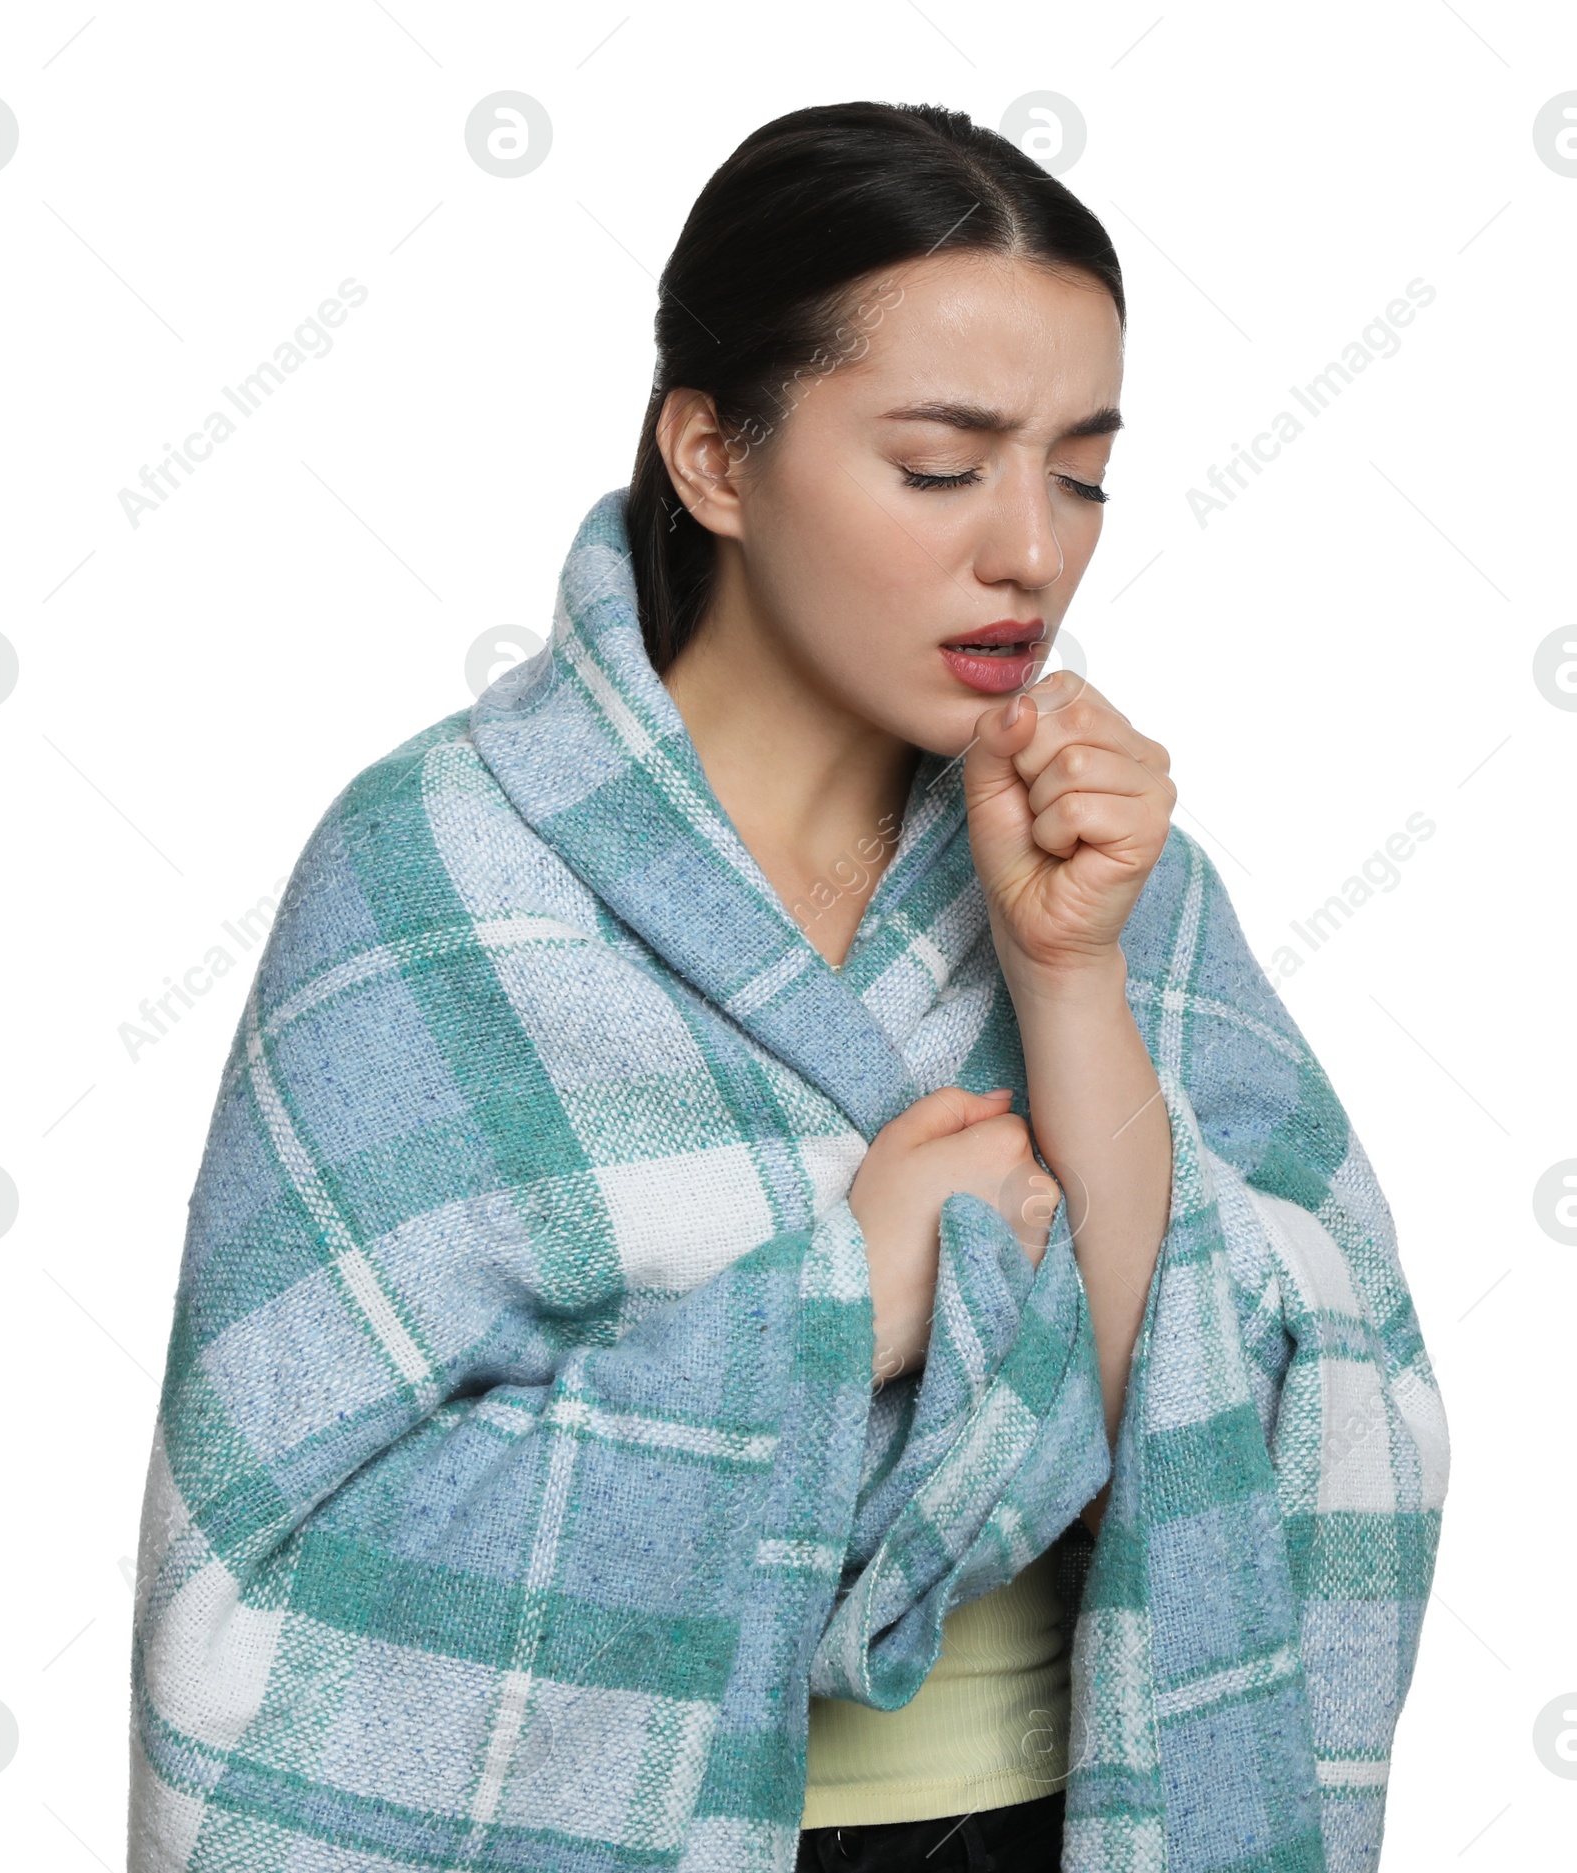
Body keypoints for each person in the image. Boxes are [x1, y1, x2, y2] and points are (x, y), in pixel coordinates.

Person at [128, 103, 1446, 1873]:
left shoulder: (1122, 885)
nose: (1030, 551)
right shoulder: (444, 866)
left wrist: (1067, 977)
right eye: (939, 463)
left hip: (1061, 1827)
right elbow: (276, 1570)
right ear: (714, 458)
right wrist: (856, 1290)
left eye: (1081, 470)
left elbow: (1250, 1401)